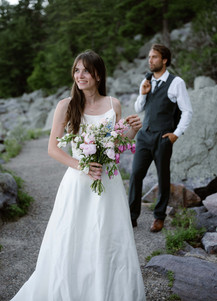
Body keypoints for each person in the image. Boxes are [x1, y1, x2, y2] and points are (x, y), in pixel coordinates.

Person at [11, 50, 146, 301]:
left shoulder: (113, 104)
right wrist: (82, 166)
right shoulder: (66, 105)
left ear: (98, 74)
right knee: (74, 237)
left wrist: (132, 132)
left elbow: (115, 147)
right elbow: (53, 149)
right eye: (76, 70)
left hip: (108, 182)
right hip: (78, 181)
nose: (80, 75)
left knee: (109, 237)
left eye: (85, 70)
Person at [129, 43, 193, 233]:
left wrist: (176, 134)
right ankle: (132, 217)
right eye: (149, 57)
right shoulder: (146, 80)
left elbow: (187, 111)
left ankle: (159, 217)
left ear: (164, 60)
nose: (150, 60)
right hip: (144, 136)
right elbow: (138, 108)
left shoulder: (176, 83)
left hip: (163, 137)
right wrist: (143, 93)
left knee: (162, 177)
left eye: (154, 57)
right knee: (135, 176)